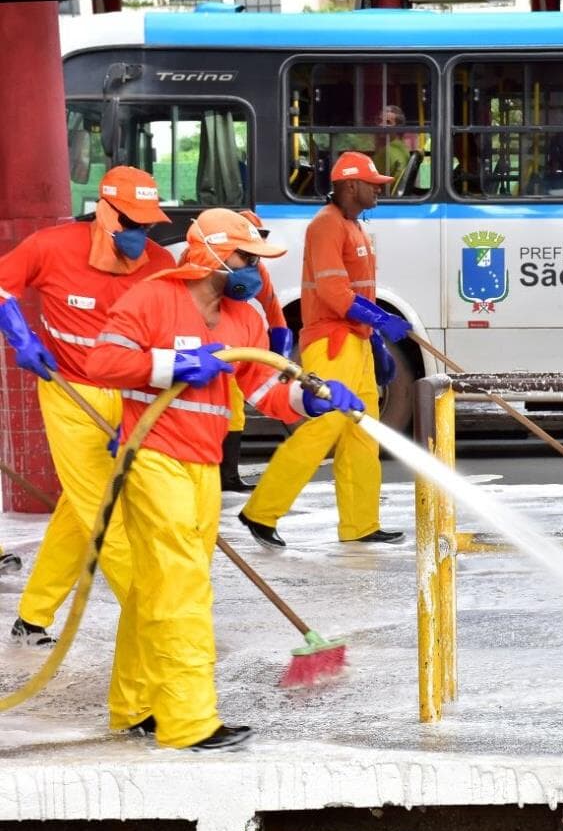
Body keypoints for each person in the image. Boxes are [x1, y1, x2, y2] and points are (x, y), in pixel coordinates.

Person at [86, 207, 365, 750]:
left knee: (153, 588)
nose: (254, 273)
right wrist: (171, 366)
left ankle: (135, 704)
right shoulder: (153, 298)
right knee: (182, 589)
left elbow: (262, 389)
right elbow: (102, 363)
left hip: (203, 467)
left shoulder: (245, 320)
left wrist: (305, 400)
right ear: (210, 254)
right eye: (245, 258)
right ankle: (188, 722)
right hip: (154, 458)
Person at [0, 165, 175, 649]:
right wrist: (19, 332)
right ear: (104, 211)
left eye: (146, 226)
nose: (139, 235)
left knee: (80, 511)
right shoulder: (51, 247)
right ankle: (155, 624)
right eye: (130, 224)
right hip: (69, 392)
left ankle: (32, 616)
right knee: (106, 512)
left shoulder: (161, 263)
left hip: (134, 395)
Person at [238, 152, 411, 548]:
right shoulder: (325, 227)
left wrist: (375, 338)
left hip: (357, 341)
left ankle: (360, 525)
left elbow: (355, 293)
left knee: (363, 433)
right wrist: (381, 320)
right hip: (331, 343)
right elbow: (334, 294)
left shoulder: (354, 227)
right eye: (373, 184)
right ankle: (260, 511)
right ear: (351, 186)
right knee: (327, 426)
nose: (380, 190)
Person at [214, 210, 293, 493]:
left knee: (235, 410)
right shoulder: (201, 273)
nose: (253, 260)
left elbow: (275, 313)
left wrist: (279, 360)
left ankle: (228, 475)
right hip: (210, 349)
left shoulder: (256, 273)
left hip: (238, 344)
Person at [374, 104, 416, 190]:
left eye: (388, 122)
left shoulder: (387, 152)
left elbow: (372, 182)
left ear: (398, 128)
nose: (381, 125)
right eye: (379, 120)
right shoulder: (402, 148)